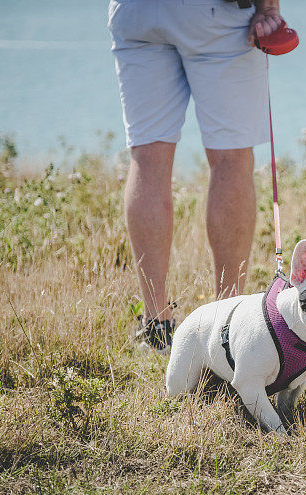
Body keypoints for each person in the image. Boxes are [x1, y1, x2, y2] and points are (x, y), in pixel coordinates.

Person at [107, 0, 284, 351]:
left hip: (135, 12)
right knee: (231, 160)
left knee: (147, 158)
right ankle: (227, 325)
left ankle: (155, 326)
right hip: (212, 15)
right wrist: (267, 6)